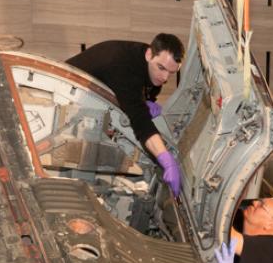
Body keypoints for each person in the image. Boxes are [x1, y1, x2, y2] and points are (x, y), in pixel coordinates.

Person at [66, 35, 185, 196]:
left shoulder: (151, 63)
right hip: (66, 101)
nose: (165, 78)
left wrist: (147, 100)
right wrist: (165, 159)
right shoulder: (124, 67)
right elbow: (141, 123)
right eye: (162, 68)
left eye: (171, 72)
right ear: (149, 55)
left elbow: (144, 95)